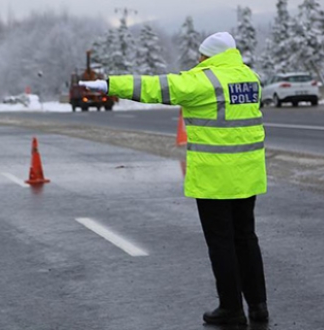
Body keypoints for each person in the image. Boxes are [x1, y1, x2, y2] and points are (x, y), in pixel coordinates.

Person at [80, 32, 269, 325]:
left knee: (222, 242)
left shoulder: (204, 80)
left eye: (201, 56)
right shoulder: (249, 78)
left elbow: (157, 87)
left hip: (215, 176)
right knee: (246, 237)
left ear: (209, 57)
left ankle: (232, 309)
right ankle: (258, 306)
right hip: (248, 173)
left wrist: (110, 84)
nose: (198, 61)